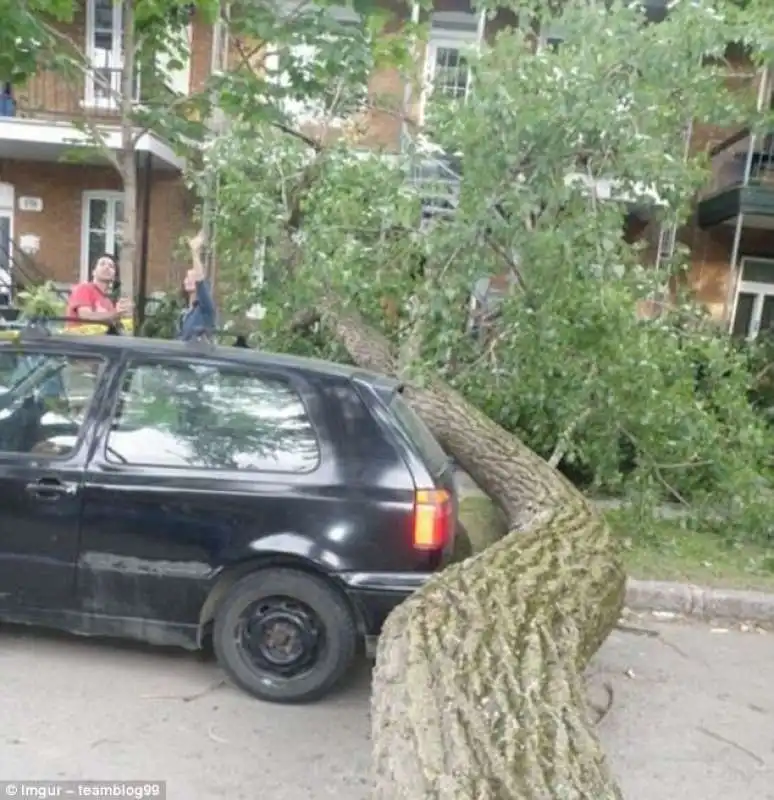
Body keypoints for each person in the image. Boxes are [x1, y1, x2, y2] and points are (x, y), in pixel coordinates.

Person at [66, 254, 133, 334]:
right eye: (102, 264)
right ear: (93, 272)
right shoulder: (84, 288)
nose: (107, 267)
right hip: (78, 342)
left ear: (114, 277)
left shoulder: (108, 302)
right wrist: (115, 314)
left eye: (111, 266)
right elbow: (85, 316)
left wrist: (124, 314)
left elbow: (113, 325)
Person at [178, 231, 217, 341]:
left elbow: (200, 279)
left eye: (191, 277)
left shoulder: (205, 308)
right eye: (187, 276)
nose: (187, 280)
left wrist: (195, 252)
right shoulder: (187, 312)